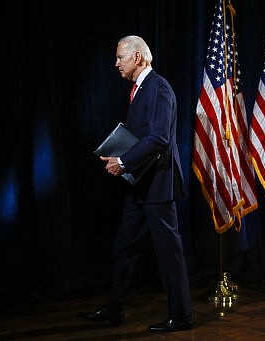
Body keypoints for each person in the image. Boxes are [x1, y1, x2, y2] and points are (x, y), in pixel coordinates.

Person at [78, 35, 193, 333]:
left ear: (138, 58)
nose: (116, 63)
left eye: (120, 57)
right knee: (123, 248)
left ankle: (181, 317)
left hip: (157, 186)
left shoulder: (159, 88)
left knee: (169, 253)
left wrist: (124, 161)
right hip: (139, 185)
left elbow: (159, 138)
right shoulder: (139, 89)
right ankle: (114, 309)